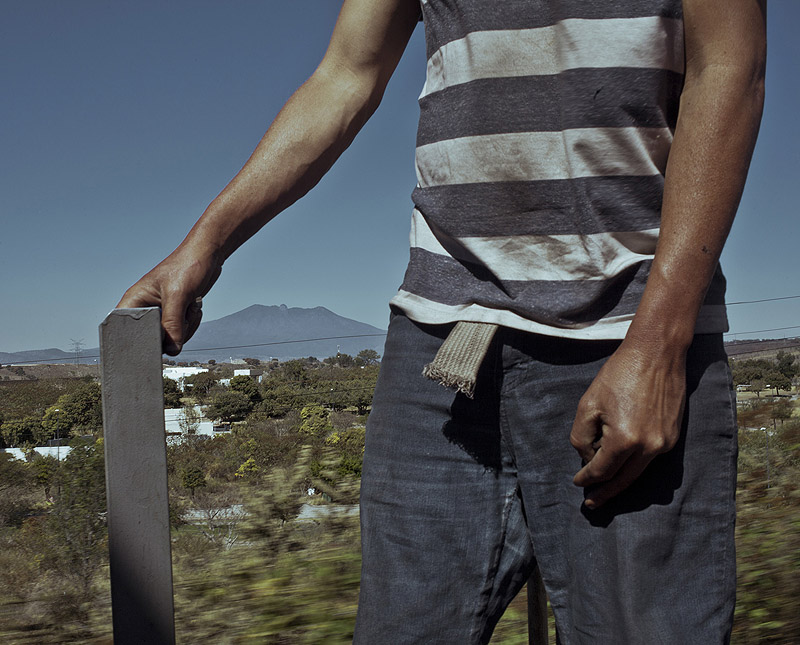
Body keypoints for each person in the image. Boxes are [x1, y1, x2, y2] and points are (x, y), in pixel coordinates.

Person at [118, 0, 766, 642]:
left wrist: (658, 344)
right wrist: (206, 245)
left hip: (629, 334)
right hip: (440, 344)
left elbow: (729, 69)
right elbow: (345, 75)